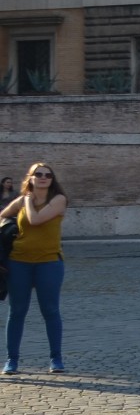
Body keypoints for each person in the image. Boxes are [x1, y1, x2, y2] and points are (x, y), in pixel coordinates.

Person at [3, 160, 67, 375]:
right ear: (30, 178)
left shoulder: (59, 200)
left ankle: (55, 359)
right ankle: (12, 360)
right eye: (37, 174)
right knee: (17, 311)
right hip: (19, 261)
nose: (42, 177)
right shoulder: (21, 200)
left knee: (50, 310)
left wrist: (27, 201)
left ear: (52, 180)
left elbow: (35, 219)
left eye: (47, 175)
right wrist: (6, 229)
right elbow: (2, 215)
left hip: (49, 262)